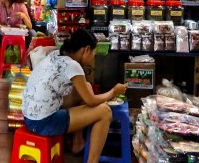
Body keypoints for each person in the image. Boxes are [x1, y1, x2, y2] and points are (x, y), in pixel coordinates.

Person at [22, 30, 129, 162]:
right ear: (86, 50)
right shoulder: (73, 66)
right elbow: (91, 101)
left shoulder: (57, 54)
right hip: (43, 123)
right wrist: (113, 92)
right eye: (93, 55)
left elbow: (84, 93)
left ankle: (77, 142)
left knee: (86, 88)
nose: (92, 59)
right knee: (104, 112)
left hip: (29, 117)